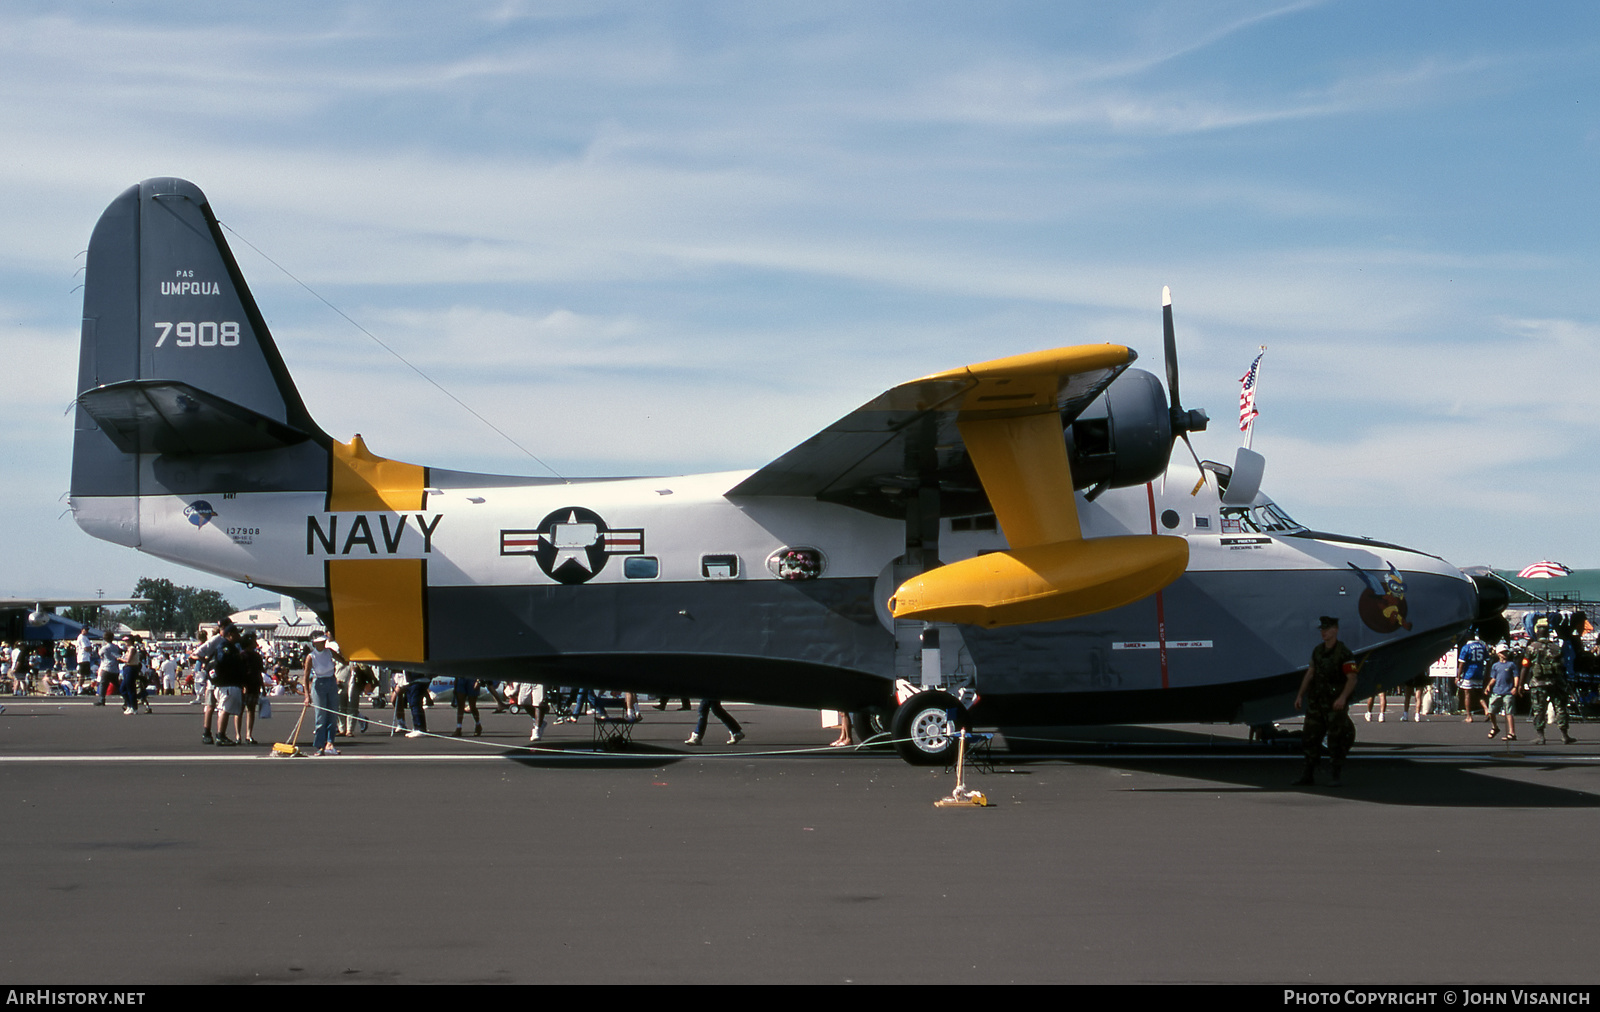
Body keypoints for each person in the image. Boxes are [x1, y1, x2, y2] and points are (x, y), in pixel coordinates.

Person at [1293, 616, 1358, 787]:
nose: (1323, 633)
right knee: (1310, 738)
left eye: (1327, 629)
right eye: (1322, 630)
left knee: (1336, 739)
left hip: (1333, 704)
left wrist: (1342, 698)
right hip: (1316, 702)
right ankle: (1308, 774)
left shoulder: (1344, 653)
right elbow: (1310, 673)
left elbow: (1352, 678)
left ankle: (1335, 774)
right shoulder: (1318, 651)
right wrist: (1300, 695)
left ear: (1335, 630)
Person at [1522, 630, 1577, 746]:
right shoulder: (1556, 648)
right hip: (1556, 682)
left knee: (1539, 710)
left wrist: (1520, 684)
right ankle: (1564, 735)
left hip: (1539, 683)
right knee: (1560, 708)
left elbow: (1525, 666)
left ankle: (1540, 736)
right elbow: (1562, 666)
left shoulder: (1532, 647)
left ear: (1538, 635)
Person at [301, 632, 345, 755]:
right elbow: (305, 677)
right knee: (321, 716)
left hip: (331, 682)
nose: (324, 643)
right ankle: (320, 745)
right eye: (321, 642)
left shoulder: (329, 652)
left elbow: (344, 660)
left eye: (324, 641)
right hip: (319, 684)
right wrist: (307, 695)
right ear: (315, 643)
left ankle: (330, 743)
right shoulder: (311, 656)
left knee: (332, 713)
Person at [1484, 646, 1520, 741]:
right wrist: (1489, 686)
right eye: (1503, 652)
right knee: (1491, 711)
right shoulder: (1495, 666)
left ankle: (1512, 733)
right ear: (1498, 654)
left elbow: (1516, 676)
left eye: (1506, 652)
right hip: (1497, 691)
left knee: (1509, 712)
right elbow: (1494, 678)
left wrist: (1515, 687)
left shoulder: (1511, 665)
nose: (1505, 654)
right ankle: (1495, 727)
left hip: (1508, 691)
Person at [1457, 633, 1490, 723]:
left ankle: (1469, 716)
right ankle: (1486, 709)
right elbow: (1487, 660)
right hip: (1479, 672)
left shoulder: (1466, 647)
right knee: (1479, 693)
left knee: (1467, 695)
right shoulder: (1482, 646)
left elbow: (1462, 663)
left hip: (1469, 673)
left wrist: (1458, 676)